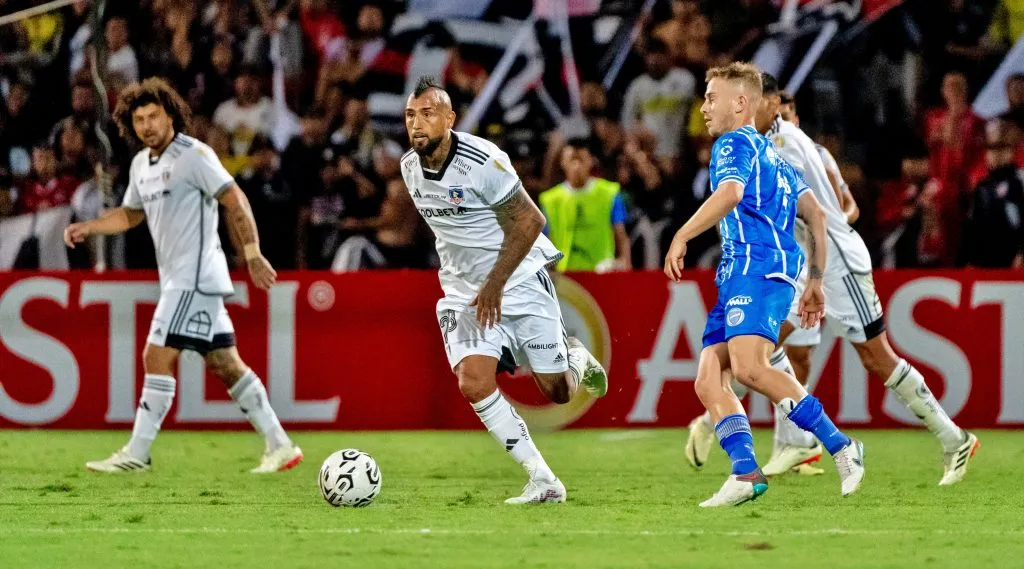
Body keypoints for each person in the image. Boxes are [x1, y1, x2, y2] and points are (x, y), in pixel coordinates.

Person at [686, 72, 978, 486]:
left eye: (778, 105)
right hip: (793, 262)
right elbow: (842, 202)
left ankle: (954, 438)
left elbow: (828, 212)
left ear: (760, 102)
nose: (778, 110)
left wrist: (818, 274)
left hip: (838, 263)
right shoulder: (779, 146)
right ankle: (789, 438)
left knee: (876, 357)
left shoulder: (782, 144)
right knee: (759, 347)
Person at [63, 78, 302, 474]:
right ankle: (280, 445)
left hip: (195, 277)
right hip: (180, 278)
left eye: (154, 116)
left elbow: (235, 198)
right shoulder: (141, 164)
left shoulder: (195, 155)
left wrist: (253, 251)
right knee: (226, 364)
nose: (147, 125)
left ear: (171, 115)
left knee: (154, 355)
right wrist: (91, 226)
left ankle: (138, 453)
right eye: (139, 119)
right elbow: (131, 214)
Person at [663, 62, 864, 507]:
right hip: (751, 270)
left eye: (712, 97)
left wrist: (681, 235)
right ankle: (745, 472)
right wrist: (813, 280)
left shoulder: (733, 143)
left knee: (750, 368)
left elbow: (731, 193)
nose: (705, 107)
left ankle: (841, 445)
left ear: (740, 103)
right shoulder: (773, 154)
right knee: (709, 378)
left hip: (758, 267)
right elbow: (815, 215)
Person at [400, 76, 609, 504]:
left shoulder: (483, 160)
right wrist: (473, 284)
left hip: (516, 281)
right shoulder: (409, 169)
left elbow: (531, 221)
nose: (416, 124)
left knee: (559, 391)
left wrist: (495, 282)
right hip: (463, 295)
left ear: (449, 118)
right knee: (473, 382)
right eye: (410, 115)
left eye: (427, 114)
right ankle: (543, 479)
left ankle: (569, 353)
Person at [539, 138, 631, 272]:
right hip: (565, 278)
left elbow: (621, 235)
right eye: (572, 160)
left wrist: (625, 263)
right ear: (562, 163)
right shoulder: (550, 200)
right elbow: (545, 242)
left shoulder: (609, 193)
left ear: (591, 161)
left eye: (581, 159)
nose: (576, 166)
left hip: (601, 273)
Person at [961, 123, 1024, 268]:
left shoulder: (1020, 180)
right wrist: (970, 259)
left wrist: (1022, 252)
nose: (996, 154)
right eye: (991, 149)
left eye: (1001, 148)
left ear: (1012, 151)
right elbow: (974, 226)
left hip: (1014, 263)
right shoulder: (982, 186)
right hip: (987, 265)